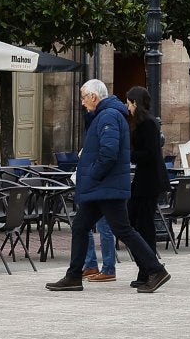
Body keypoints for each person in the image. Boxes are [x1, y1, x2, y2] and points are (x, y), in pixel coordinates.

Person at [46, 79, 172, 295]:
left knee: (123, 229)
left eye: (84, 98)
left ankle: (155, 269)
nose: (83, 103)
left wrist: (93, 175)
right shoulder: (105, 115)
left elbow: (109, 151)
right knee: (80, 226)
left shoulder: (108, 116)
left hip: (106, 186)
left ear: (94, 97)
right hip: (102, 187)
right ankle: (74, 276)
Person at [125, 84, 171, 283]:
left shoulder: (149, 124)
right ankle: (146, 268)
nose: (128, 108)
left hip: (149, 182)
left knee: (144, 227)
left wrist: (129, 155)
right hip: (144, 181)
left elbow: (150, 154)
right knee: (135, 223)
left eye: (129, 103)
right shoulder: (143, 123)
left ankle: (149, 270)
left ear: (135, 102)